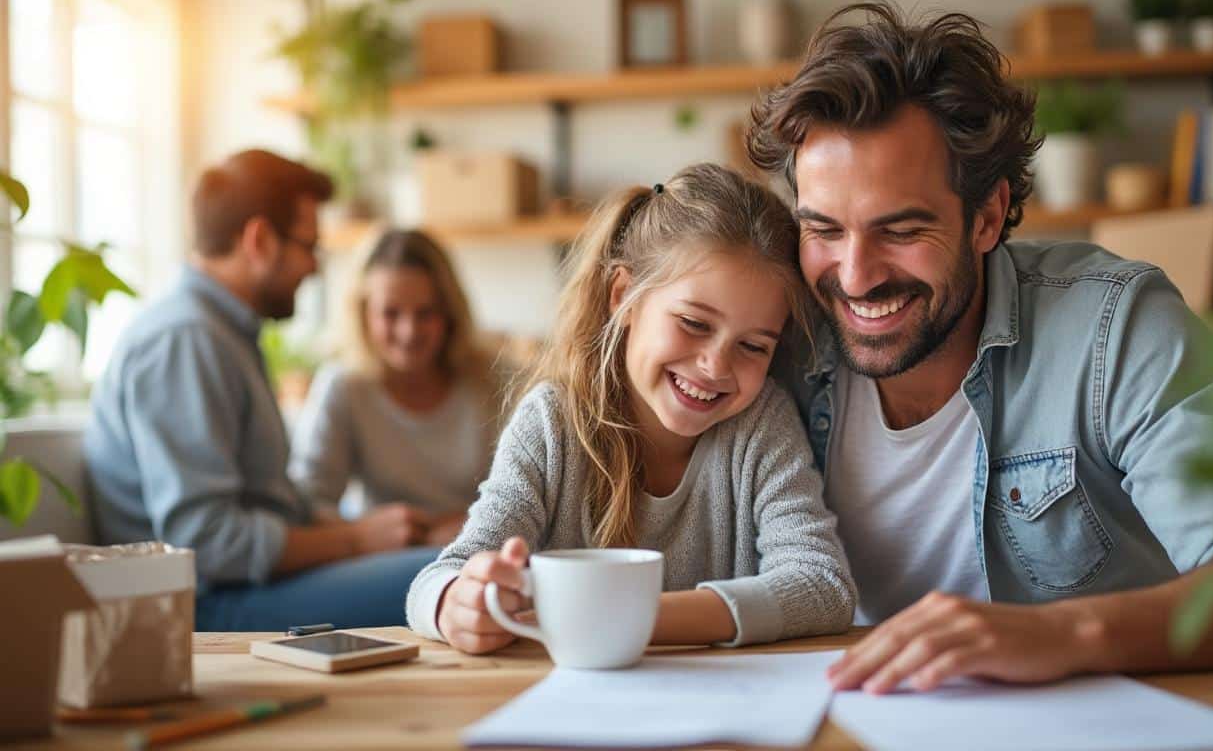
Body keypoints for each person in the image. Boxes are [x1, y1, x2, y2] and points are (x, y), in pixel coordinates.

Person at [747, 0, 1213, 693]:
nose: (856, 275)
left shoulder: (1115, 326)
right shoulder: (776, 344)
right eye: (825, 230)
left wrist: (1067, 634)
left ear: (987, 217)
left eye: (900, 230)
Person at [406, 163, 856, 652]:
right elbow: (440, 578)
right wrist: (456, 603)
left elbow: (822, 586)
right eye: (694, 323)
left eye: (753, 346)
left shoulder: (762, 422)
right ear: (623, 296)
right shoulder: (553, 422)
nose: (714, 365)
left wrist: (623, 619)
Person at [84, 149, 441, 631]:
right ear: (259, 240)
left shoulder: (222, 333)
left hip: (248, 585)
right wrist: (357, 539)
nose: (314, 267)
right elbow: (206, 546)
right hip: (208, 604)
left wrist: (380, 530)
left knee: (459, 562)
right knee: (453, 576)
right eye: (308, 246)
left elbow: (261, 504)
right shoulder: (185, 340)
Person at [289, 229, 500, 546]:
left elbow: (532, 494)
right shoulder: (344, 386)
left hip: (475, 549)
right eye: (391, 313)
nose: (409, 331)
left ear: (448, 312)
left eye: (425, 313)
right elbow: (308, 504)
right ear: (363, 315)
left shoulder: (495, 380)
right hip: (382, 561)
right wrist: (366, 533)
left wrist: (468, 525)